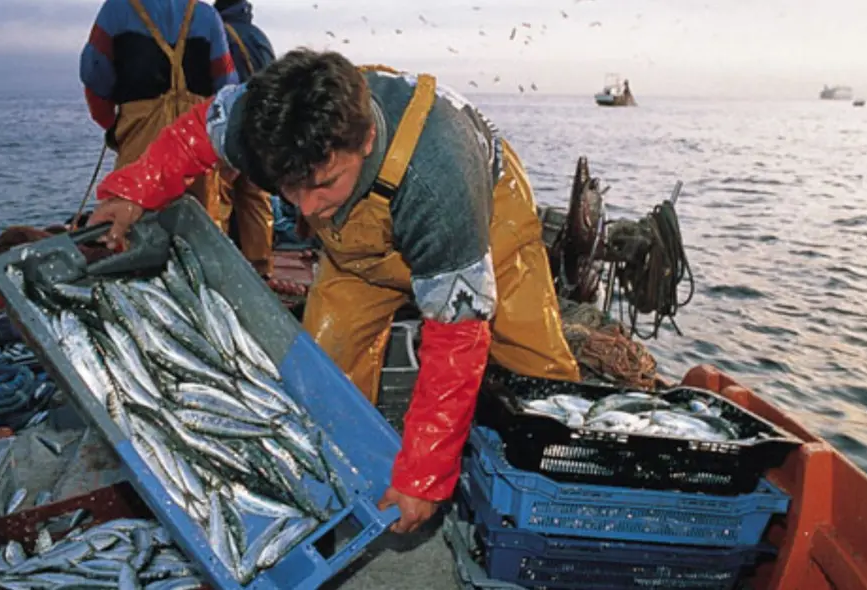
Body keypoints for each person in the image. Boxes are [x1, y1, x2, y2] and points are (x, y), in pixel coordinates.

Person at [86, 49, 582, 534]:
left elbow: (457, 335)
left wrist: (423, 477)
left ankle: (566, 499)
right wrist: (131, 193)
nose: (307, 208)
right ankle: (341, 491)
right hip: (358, 249)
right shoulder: (262, 121)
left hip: (484, 218)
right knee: (323, 378)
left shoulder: (439, 180)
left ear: (366, 140)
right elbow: (195, 134)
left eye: (323, 184)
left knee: (535, 364)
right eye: (290, 188)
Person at [79, 0, 238, 220]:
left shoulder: (116, 9)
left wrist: (113, 125)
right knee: (199, 223)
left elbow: (94, 75)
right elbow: (226, 86)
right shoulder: (208, 16)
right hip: (198, 140)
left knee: (130, 222)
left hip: (138, 134)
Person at [213, 0, 276, 277]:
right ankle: (261, 268)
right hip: (261, 130)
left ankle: (220, 270)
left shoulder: (218, 32)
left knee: (220, 197)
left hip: (231, 127)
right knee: (256, 198)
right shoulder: (259, 36)